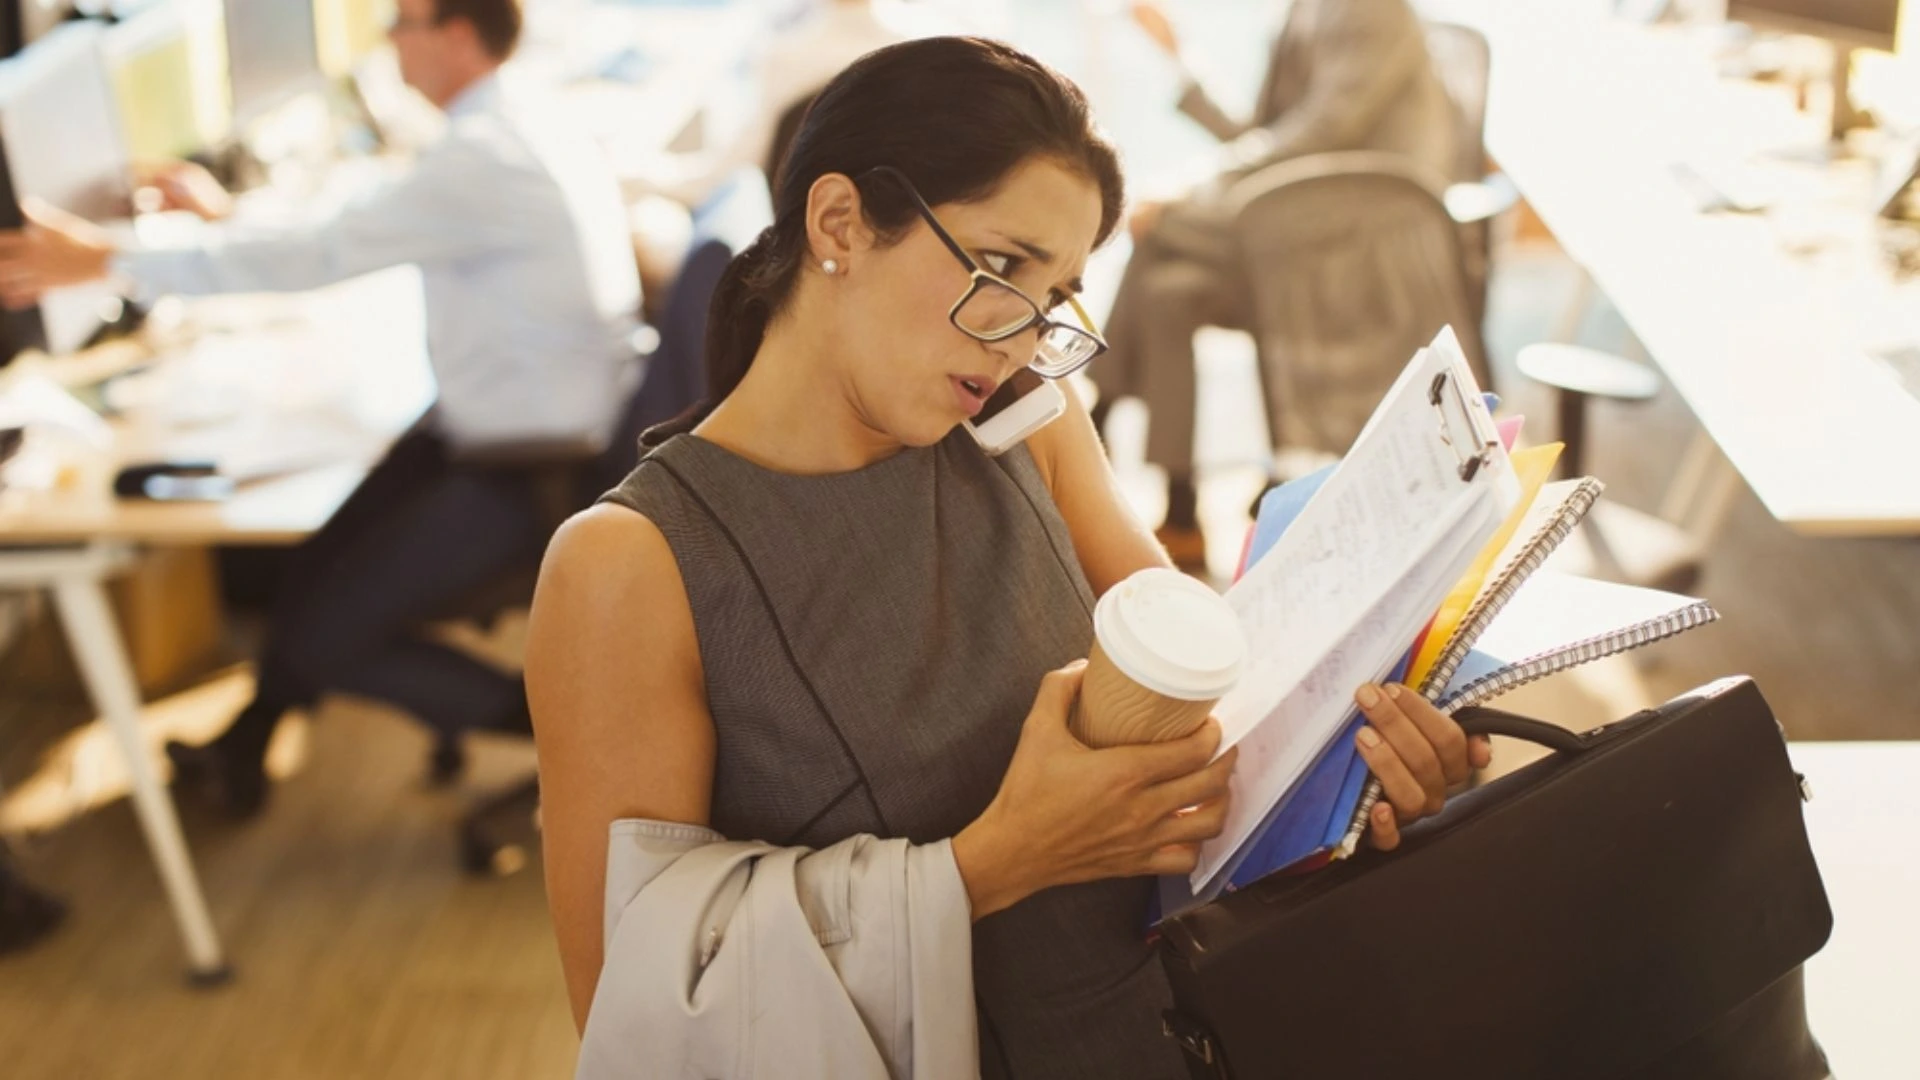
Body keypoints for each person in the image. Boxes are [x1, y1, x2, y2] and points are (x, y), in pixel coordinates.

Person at [526, 35, 1488, 1078]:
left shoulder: (1029, 423)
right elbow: (631, 1001)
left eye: (1055, 296)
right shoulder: (632, 565)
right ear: (839, 223)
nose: (1022, 340)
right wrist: (992, 863)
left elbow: (1222, 727)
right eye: (999, 268)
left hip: (1191, 1029)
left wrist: (1351, 770)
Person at [0, 0, 641, 817]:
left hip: (531, 467)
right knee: (313, 563)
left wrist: (107, 259)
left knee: (326, 636)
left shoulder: (484, 157)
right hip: (503, 427)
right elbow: (361, 226)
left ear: (455, 35)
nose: (388, 41)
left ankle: (585, 737)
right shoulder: (509, 122)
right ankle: (245, 746)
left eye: (402, 22)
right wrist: (224, 219)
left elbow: (324, 251)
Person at [1091, 0, 1458, 571]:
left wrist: (1188, 188)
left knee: (1161, 228)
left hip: (1362, 239)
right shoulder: (1301, 12)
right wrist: (1179, 58)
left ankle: (1095, 424)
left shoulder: (1370, 8)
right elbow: (1264, 137)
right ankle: (1180, 509)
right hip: (1301, 230)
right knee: (1167, 293)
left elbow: (1324, 132)